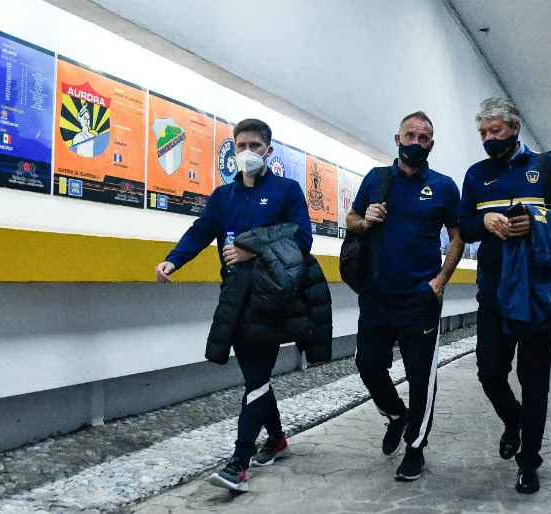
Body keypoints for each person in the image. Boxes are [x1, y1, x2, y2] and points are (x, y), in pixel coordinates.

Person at [155, 118, 323, 493]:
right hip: (235, 297)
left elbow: (301, 238)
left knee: (257, 376)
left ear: (268, 150)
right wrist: (174, 260)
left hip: (272, 298)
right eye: (241, 146)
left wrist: (253, 249)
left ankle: (239, 464)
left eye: (255, 146)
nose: (247, 152)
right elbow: (201, 231)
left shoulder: (286, 190)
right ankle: (276, 439)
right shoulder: (223, 197)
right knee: (255, 377)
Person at [459, 97, 551, 494]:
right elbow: (464, 225)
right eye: (482, 133)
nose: (488, 138)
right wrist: (484, 219)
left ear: (514, 127)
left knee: (534, 380)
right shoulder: (476, 175)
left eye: (495, 130)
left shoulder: (545, 166)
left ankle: (529, 461)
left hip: (536, 290)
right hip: (493, 288)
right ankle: (513, 420)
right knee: (490, 372)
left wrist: (537, 220)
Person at [346, 111, 464, 482]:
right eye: (409, 136)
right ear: (397, 140)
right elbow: (350, 219)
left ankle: (415, 448)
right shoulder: (377, 179)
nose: (416, 143)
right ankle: (396, 415)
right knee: (367, 365)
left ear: (431, 144)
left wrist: (441, 280)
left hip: (419, 300)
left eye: (423, 138)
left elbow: (457, 237)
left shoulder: (444, 186)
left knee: (420, 377)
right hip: (376, 296)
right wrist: (364, 220)